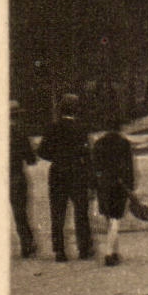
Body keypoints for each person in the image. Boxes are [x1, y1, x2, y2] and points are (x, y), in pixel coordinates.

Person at [37, 94, 94, 261]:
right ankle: (83, 249)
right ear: (76, 110)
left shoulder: (52, 128)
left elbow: (41, 152)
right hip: (77, 173)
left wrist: (56, 158)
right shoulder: (81, 129)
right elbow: (87, 154)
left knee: (57, 213)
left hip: (58, 173)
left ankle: (59, 251)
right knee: (81, 213)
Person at [91, 116, 137, 267]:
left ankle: (114, 251)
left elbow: (94, 167)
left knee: (108, 218)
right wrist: (130, 187)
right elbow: (129, 167)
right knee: (115, 218)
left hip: (103, 184)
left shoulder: (99, 144)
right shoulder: (123, 143)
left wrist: (94, 186)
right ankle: (109, 253)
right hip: (119, 184)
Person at [10, 100, 38, 258]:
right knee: (20, 211)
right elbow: (31, 160)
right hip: (16, 175)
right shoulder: (20, 134)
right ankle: (26, 243)